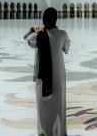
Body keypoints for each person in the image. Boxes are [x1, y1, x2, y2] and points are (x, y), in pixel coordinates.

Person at [24, 7, 70, 136]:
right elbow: (66, 49)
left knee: (43, 105)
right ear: (56, 19)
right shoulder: (62, 34)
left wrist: (37, 28)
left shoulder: (39, 35)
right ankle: (59, 131)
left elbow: (26, 38)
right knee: (58, 104)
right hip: (59, 75)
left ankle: (43, 132)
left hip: (42, 76)